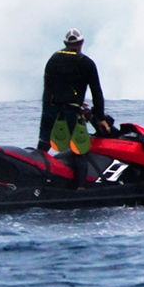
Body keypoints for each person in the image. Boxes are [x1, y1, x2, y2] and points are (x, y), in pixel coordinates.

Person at [38, 30, 105, 188]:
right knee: (79, 150)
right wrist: (100, 116)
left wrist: (48, 111)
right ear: (81, 42)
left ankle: (37, 182)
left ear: (65, 43)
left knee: (43, 146)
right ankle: (80, 189)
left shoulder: (53, 59)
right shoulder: (86, 63)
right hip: (71, 111)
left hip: (51, 109)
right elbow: (96, 92)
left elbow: (49, 89)